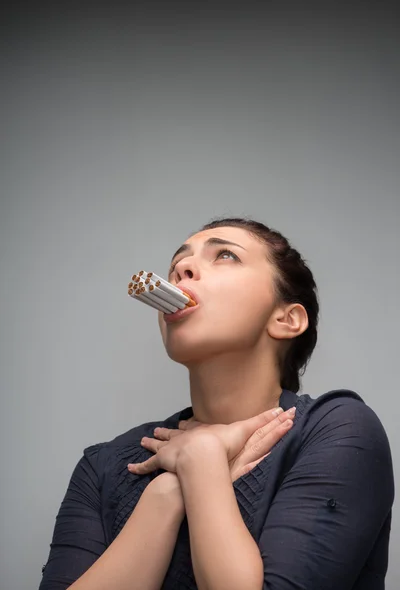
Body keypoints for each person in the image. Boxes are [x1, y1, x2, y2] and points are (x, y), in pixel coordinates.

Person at [38, 217, 394, 590]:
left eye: (225, 255)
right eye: (177, 265)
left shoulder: (335, 431)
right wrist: (167, 493)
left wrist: (202, 460)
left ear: (287, 319)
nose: (180, 270)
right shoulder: (104, 466)